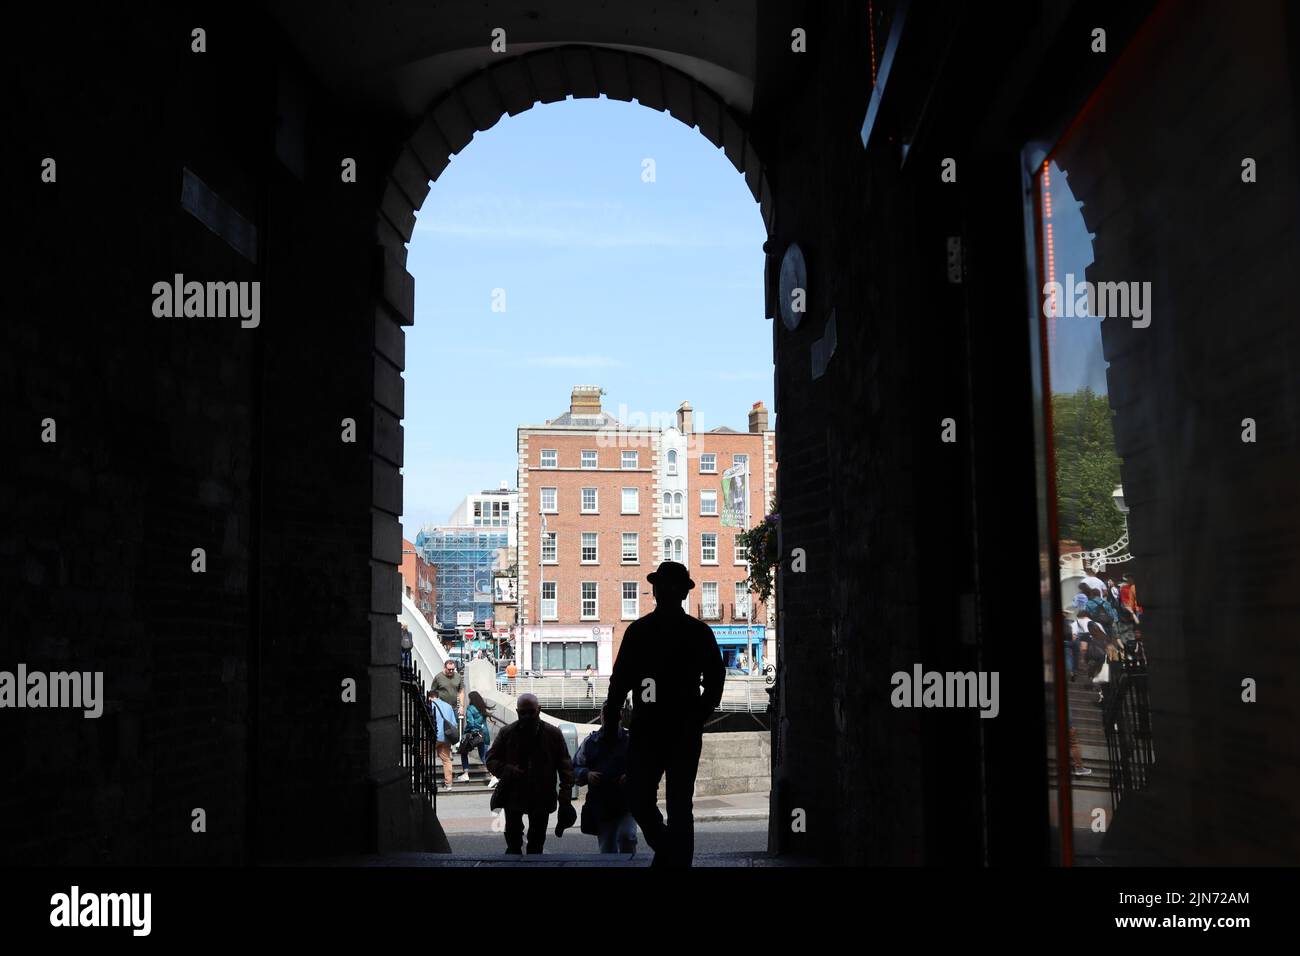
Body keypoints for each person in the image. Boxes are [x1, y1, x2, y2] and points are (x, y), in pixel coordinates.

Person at [605, 560, 724, 867]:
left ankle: (672, 856)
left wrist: (611, 722)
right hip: (672, 728)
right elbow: (715, 680)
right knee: (663, 800)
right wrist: (700, 713)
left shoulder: (642, 631)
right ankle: (675, 855)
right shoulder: (695, 632)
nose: (664, 591)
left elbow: (619, 682)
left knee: (657, 799)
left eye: (668, 586)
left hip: (658, 728)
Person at [485, 693, 575, 855]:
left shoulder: (553, 734)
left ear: (539, 710)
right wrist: (510, 771)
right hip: (514, 792)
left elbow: (565, 768)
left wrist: (565, 799)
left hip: (542, 794)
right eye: (522, 713)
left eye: (530, 712)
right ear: (517, 711)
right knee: (513, 838)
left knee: (537, 841)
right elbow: (491, 760)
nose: (526, 716)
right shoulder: (507, 733)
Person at [574, 700, 637, 854]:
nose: (608, 718)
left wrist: (631, 776)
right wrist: (587, 774)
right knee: (607, 849)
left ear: (620, 716)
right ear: (600, 716)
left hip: (626, 804)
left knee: (627, 837)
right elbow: (574, 767)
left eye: (612, 714)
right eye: (606, 714)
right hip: (602, 805)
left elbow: (646, 765)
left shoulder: (632, 740)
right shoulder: (590, 742)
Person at [457, 690, 499, 789]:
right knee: (484, 756)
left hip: (474, 735)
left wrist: (466, 733)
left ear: (472, 699)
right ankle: (493, 776)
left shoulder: (470, 709)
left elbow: (470, 723)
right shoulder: (482, 709)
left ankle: (466, 774)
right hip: (484, 734)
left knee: (464, 751)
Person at [427, 691, 458, 792]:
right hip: (446, 736)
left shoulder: (430, 705)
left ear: (430, 697)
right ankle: (449, 784)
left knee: (422, 755)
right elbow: (454, 723)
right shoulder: (448, 706)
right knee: (446, 760)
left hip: (434, 736)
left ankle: (423, 778)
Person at [432, 657, 465, 726]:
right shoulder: (438, 677)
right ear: (445, 668)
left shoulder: (458, 676)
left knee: (454, 728)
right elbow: (433, 693)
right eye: (449, 669)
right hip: (442, 708)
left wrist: (461, 706)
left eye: (453, 669)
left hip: (454, 708)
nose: (451, 671)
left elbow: (461, 692)